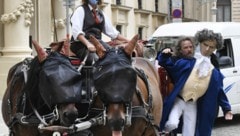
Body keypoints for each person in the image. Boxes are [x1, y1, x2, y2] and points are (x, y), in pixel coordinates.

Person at [158, 29, 233, 136]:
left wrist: (226, 109)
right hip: (179, 100)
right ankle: (164, 132)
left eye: (211, 47)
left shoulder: (214, 72)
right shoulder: (185, 63)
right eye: (205, 44)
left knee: (189, 131)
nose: (207, 49)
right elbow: (168, 65)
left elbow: (220, 91)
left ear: (215, 49)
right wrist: (164, 54)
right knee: (172, 123)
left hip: (193, 104)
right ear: (199, 43)